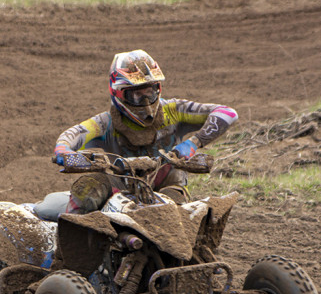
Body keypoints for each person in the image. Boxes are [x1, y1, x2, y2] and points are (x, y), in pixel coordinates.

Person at [51, 49, 238, 213]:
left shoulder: (174, 110)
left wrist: (193, 143)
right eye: (137, 95)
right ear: (119, 92)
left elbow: (227, 112)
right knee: (85, 190)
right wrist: (63, 151)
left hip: (169, 183)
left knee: (182, 217)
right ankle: (67, 249)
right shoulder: (106, 122)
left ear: (158, 88)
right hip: (120, 182)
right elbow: (74, 134)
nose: (146, 102)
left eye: (151, 92)